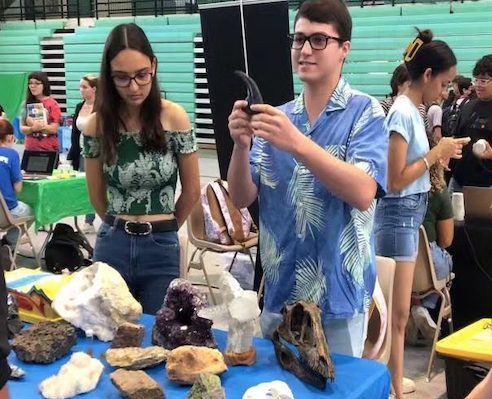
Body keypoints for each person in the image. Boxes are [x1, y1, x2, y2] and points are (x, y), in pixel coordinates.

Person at [227, 0, 388, 357]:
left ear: (344, 48)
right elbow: (241, 196)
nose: (304, 50)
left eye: (319, 40)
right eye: (298, 39)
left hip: (339, 299)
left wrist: (298, 144)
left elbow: (364, 192)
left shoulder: (366, 112)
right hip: (280, 294)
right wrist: (240, 147)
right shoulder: (279, 117)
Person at [374, 29, 469, 398]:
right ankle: (392, 387)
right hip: (398, 215)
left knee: (398, 318)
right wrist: (435, 153)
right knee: (395, 318)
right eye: (444, 84)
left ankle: (394, 382)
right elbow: (394, 179)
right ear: (426, 75)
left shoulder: (410, 111)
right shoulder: (402, 112)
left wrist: (439, 153)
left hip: (407, 215)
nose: (445, 93)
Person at [83, 24, 200, 315]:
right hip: (113, 243)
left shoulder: (174, 117)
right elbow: (97, 196)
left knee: (160, 335)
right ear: (109, 77)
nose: (134, 87)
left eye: (142, 75)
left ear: (154, 67)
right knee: (108, 333)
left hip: (161, 244)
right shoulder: (97, 125)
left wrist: (167, 227)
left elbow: (192, 190)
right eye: (122, 78)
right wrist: (117, 226)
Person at [409, 151, 454, 343]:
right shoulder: (440, 193)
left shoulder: (396, 191)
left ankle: (415, 307)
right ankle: (424, 307)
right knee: (446, 259)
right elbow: (446, 240)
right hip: (428, 268)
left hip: (397, 262)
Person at [450, 55, 492, 193]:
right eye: (477, 79)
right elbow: (456, 136)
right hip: (459, 180)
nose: (478, 85)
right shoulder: (468, 106)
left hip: (487, 184)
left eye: (484, 80)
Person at [0, 119, 34, 271]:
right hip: (7, 211)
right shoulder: (11, 155)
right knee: (33, 210)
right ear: (9, 137)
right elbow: (18, 188)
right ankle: (9, 243)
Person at [67, 75, 98, 233]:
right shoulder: (79, 106)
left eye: (84, 87)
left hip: (97, 152)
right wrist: (72, 153)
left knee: (97, 185)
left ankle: (94, 218)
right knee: (84, 186)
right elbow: (74, 132)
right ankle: (88, 220)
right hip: (80, 150)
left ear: (94, 89)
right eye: (80, 87)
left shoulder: (102, 106)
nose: (81, 90)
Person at [20, 72, 61, 152]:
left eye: (37, 83)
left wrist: (38, 126)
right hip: (30, 149)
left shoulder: (53, 104)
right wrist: (32, 128)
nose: (32, 86)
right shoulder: (25, 104)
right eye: (30, 83)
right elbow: (22, 128)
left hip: (49, 149)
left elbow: (54, 129)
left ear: (44, 85)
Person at [380, 64, 429, 131]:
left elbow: (427, 135)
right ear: (399, 83)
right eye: (410, 83)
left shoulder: (421, 109)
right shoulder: (385, 106)